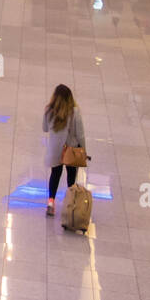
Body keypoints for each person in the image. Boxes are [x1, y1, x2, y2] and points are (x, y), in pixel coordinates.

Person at [43, 84, 85, 218]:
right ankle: (70, 205)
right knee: (71, 178)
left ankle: (51, 202)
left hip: (56, 150)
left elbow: (44, 128)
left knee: (55, 174)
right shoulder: (75, 112)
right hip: (71, 150)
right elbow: (80, 134)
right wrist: (83, 150)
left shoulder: (49, 110)